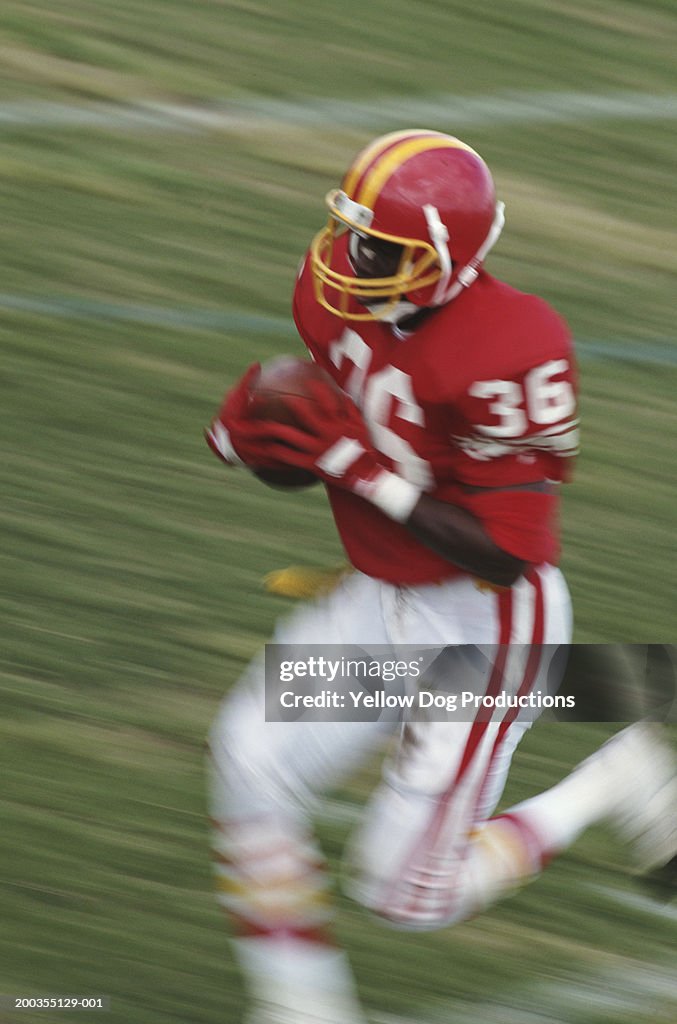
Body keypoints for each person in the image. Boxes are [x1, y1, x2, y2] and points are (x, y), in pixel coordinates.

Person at [205, 130, 677, 1024]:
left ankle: (614, 776)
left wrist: (352, 464)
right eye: (351, 232)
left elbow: (508, 547)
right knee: (247, 767)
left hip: (480, 629)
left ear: (445, 261)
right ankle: (304, 1012)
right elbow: (316, 442)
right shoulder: (333, 296)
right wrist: (258, 438)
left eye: (383, 247)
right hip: (377, 602)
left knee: (404, 894)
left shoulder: (512, 344)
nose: (353, 258)